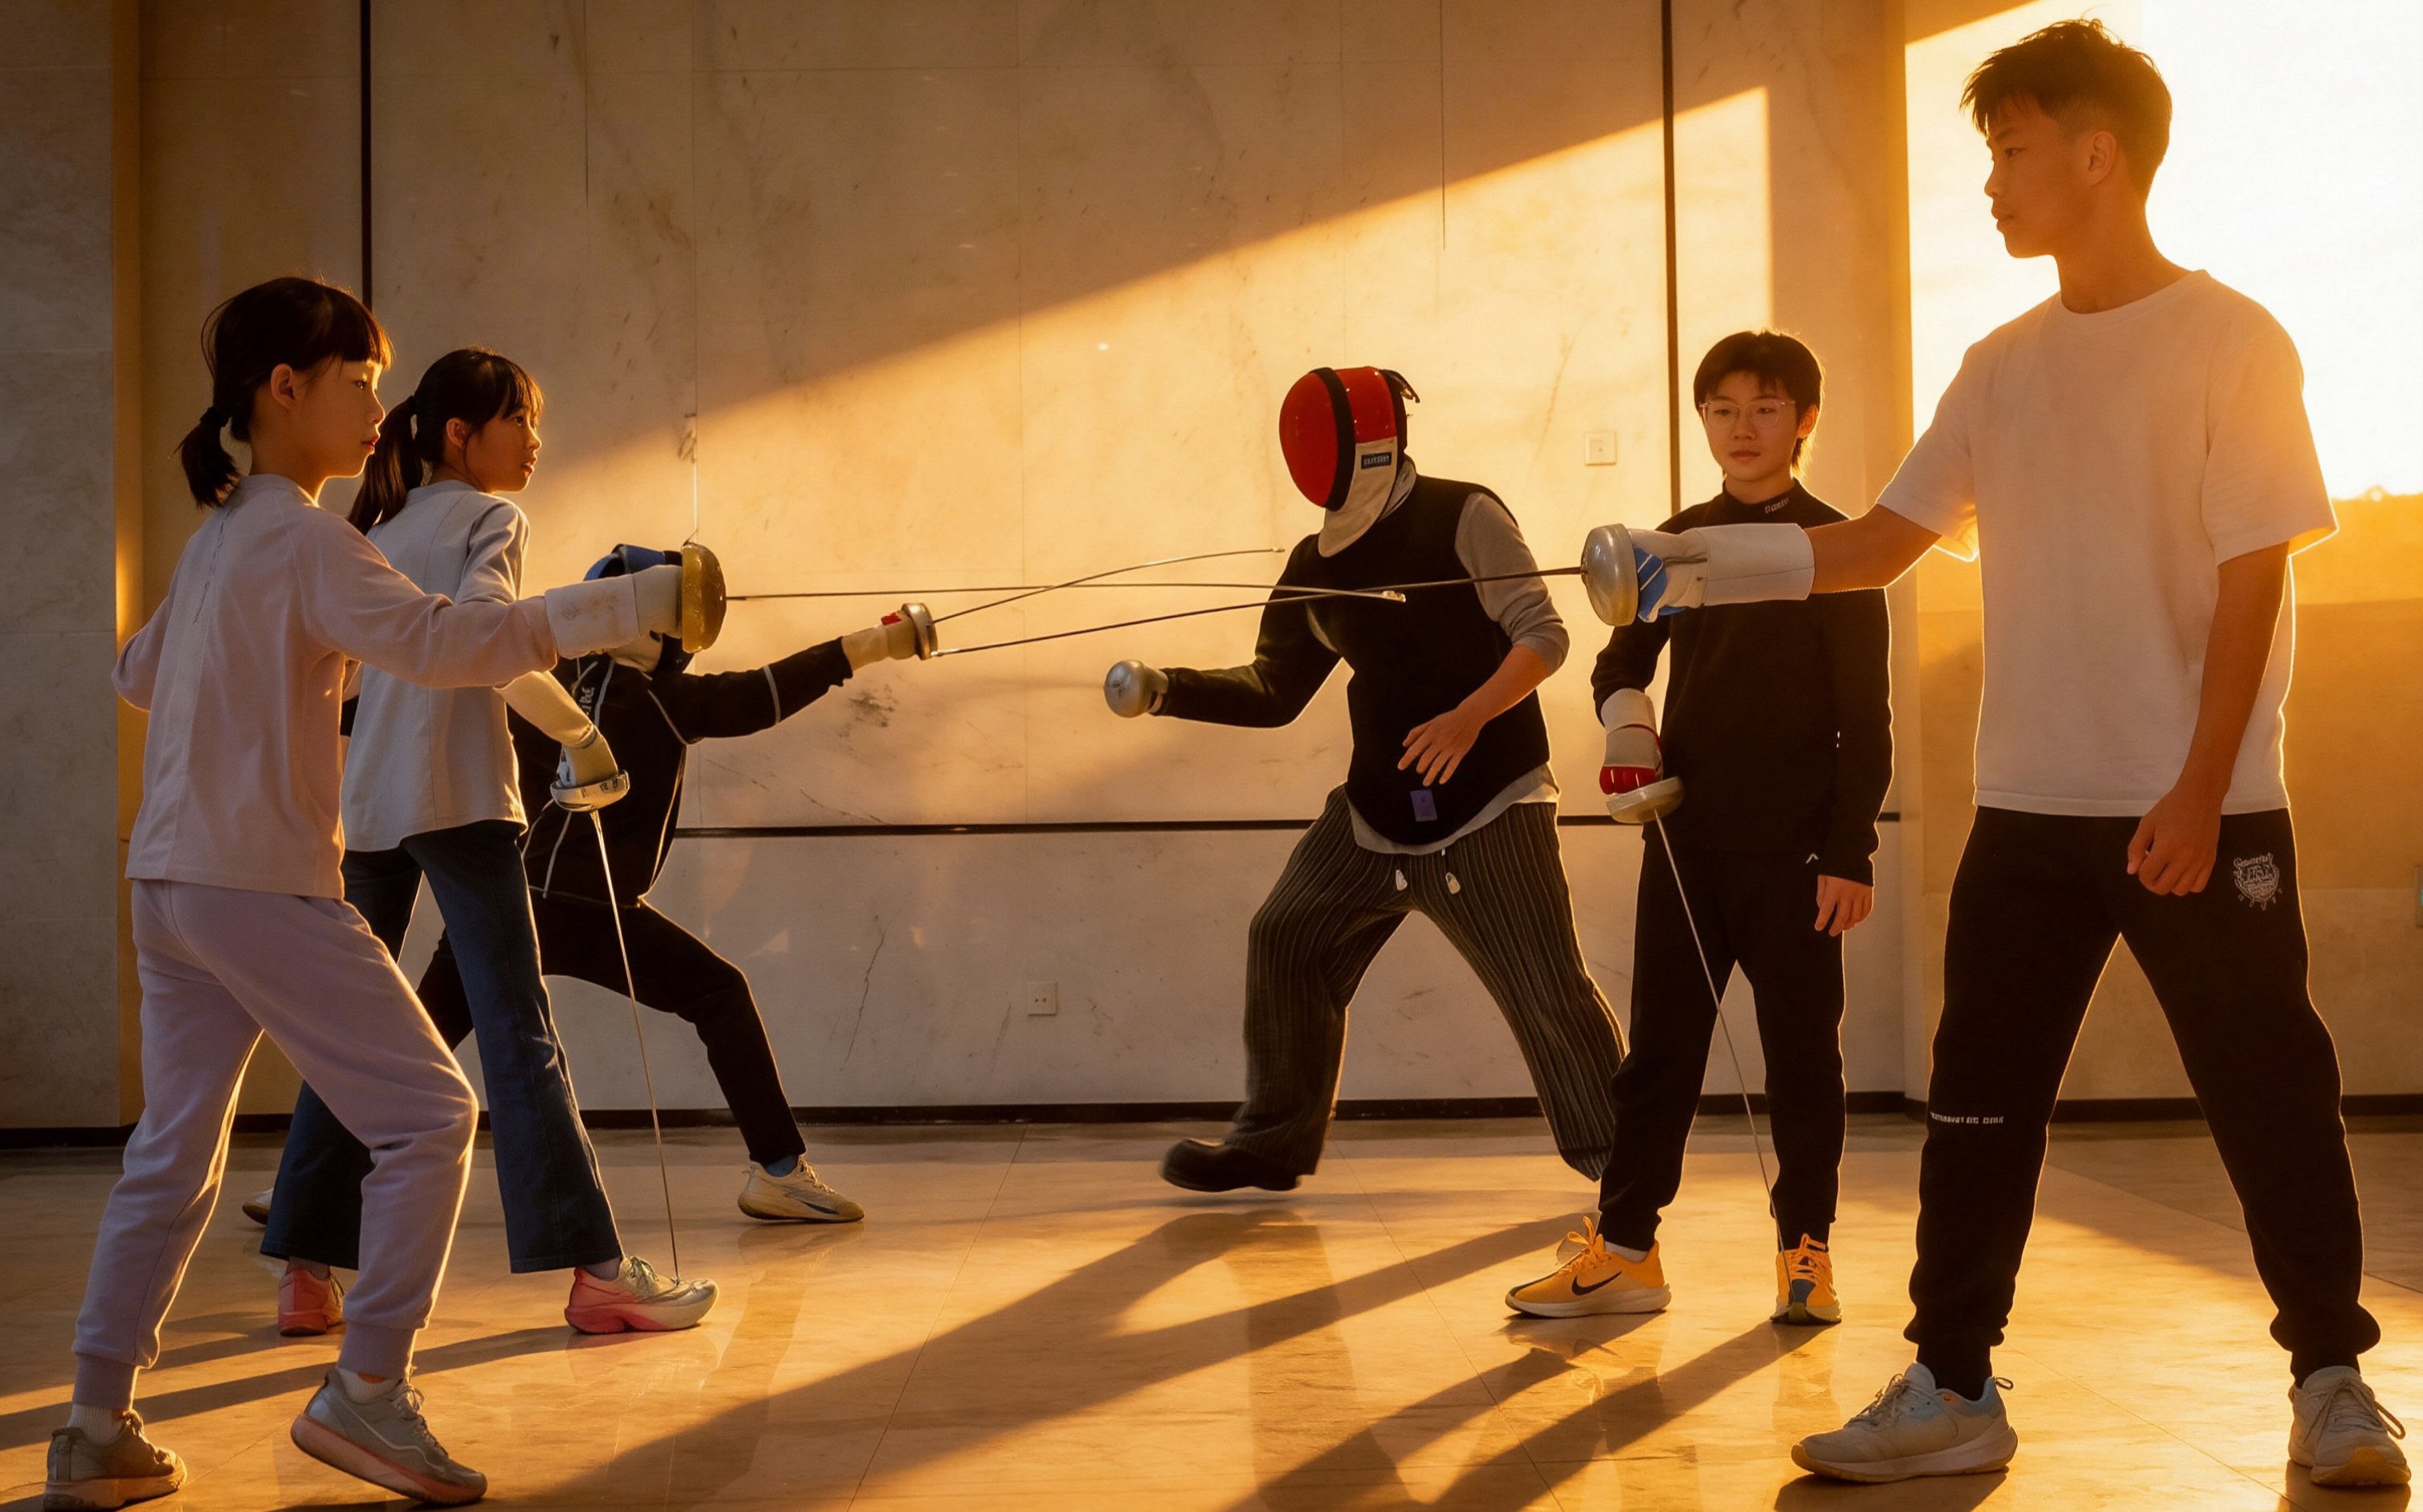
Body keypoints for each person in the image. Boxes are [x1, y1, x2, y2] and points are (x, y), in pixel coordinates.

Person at [1588, 22, 2406, 1489]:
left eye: (2010, 151)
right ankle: (1952, 1382)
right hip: (2024, 810)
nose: (1989, 184)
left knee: (2268, 1092)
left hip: (2200, 808)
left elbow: (2253, 577)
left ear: (2097, 155)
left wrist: (2198, 787)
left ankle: (2333, 1381)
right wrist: (1680, 565)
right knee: (1975, 1105)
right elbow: (1869, 545)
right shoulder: (1997, 364)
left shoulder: (2232, 340)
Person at [49, 277, 693, 1510]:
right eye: (359, 381)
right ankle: (367, 1389)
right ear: (284, 387)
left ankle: (92, 1427)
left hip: (168, 885)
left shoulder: (223, 536)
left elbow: (137, 673)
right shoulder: (303, 538)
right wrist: (627, 604)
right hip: (255, 882)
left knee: (170, 1158)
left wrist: (280, 660)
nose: (376, 407)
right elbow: (452, 647)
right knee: (431, 1118)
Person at [258, 348, 717, 1340]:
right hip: (462, 801)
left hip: (370, 806)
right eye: (521, 419)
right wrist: (585, 726)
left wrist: (573, 732)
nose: (536, 440)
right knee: (518, 1033)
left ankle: (305, 1269)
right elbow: (485, 639)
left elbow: (436, 653)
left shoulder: (376, 529)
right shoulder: (489, 519)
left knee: (350, 1033)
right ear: (461, 434)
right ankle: (598, 1273)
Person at [1104, 366, 1626, 1195]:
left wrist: (1468, 717)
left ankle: (1624, 1165)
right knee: (1288, 937)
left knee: (1547, 990)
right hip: (1373, 813)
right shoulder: (1313, 561)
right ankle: (1272, 1143)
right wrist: (1168, 689)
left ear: (1370, 442)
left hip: (1490, 804)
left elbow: (1543, 632)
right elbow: (1275, 688)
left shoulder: (1464, 514)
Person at [1503, 331, 1890, 1327]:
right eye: (1722, 410)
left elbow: (1866, 721)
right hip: (1685, 846)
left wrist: (1851, 854)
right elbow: (1617, 664)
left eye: (1765, 408)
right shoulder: (1671, 546)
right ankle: (1627, 1252)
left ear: (1804, 420)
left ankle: (1806, 1256)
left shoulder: (1838, 548)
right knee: (1659, 1059)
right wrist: (1630, 729)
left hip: (1800, 858)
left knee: (1804, 1066)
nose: (1741, 429)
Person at [409, 547, 927, 1223]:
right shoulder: (660, 700)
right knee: (719, 993)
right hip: (593, 911)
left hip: (505, 903)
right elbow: (765, 692)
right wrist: (878, 642)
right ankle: (778, 1172)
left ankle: (313, 1192)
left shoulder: (546, 679)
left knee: (408, 1044)